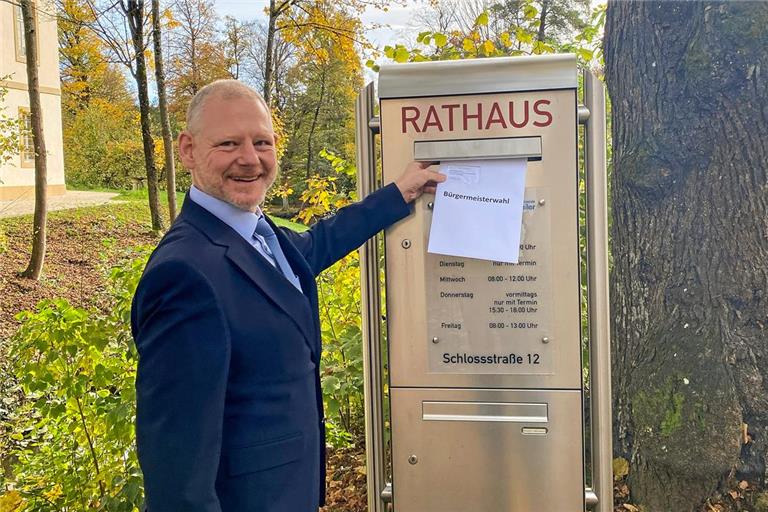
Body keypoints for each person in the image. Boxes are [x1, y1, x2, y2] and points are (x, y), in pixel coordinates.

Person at [130, 79, 445, 512]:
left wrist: (397, 195)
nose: (249, 159)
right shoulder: (184, 272)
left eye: (262, 142)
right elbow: (175, 465)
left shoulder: (257, 235)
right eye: (228, 143)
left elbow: (315, 245)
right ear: (187, 150)